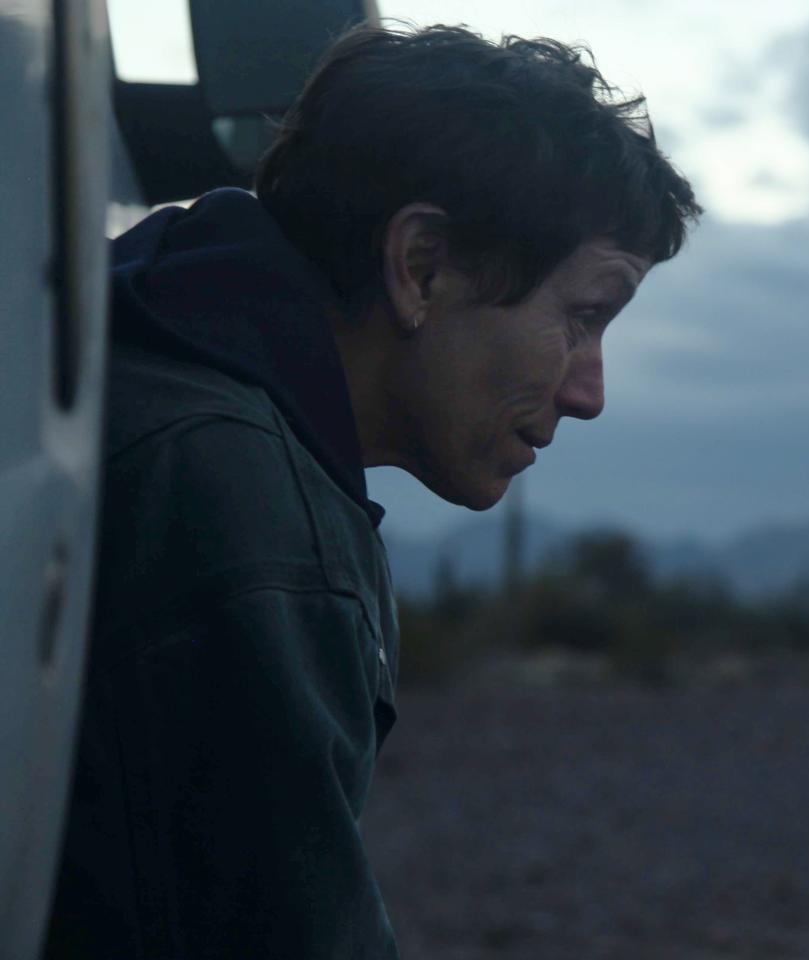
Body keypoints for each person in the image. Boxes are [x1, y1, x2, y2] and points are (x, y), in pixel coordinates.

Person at [45, 23, 698, 958]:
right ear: (421, 266)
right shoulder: (247, 516)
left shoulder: (121, 360)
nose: (589, 391)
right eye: (584, 316)